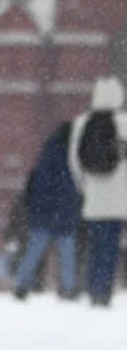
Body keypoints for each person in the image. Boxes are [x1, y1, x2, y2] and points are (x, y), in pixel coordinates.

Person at [67, 76, 127, 307]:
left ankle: (93, 288)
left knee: (95, 245)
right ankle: (104, 291)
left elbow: (75, 161)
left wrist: (84, 188)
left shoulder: (83, 123)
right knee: (111, 247)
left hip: (94, 198)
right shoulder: (124, 123)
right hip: (119, 198)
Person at [12, 123, 81, 301]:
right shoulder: (72, 158)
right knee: (67, 253)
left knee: (34, 251)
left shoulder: (46, 156)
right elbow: (70, 187)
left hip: (43, 214)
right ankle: (68, 288)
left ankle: (22, 284)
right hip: (64, 213)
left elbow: (37, 187)